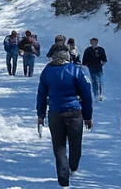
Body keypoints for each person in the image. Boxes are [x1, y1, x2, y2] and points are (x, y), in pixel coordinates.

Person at [37, 36, 94, 188]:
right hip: (74, 112)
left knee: (59, 146)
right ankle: (73, 166)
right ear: (67, 55)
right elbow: (86, 93)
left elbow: (41, 94)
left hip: (55, 113)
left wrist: (40, 115)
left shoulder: (47, 72)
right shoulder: (75, 70)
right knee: (75, 143)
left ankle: (63, 179)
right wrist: (88, 116)